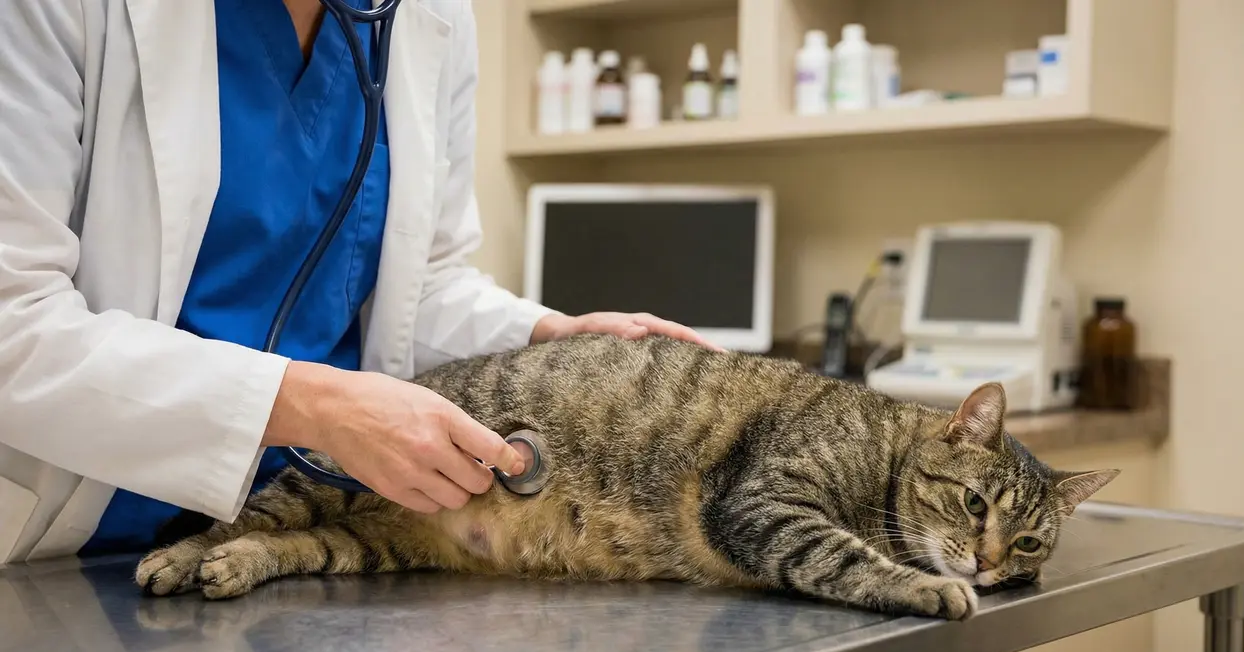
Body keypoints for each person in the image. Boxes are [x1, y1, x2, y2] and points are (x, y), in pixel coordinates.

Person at [0, 0, 716, 564]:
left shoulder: (425, 17)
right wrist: (312, 405)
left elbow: (418, 285)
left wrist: (545, 337)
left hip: (313, 528)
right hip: (72, 529)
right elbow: (14, 325)